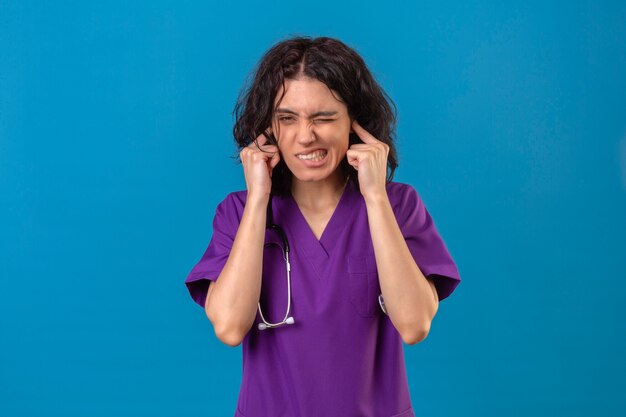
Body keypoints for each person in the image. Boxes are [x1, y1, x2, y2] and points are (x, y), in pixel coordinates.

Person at [185, 36, 461, 417]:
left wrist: (375, 198)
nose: (305, 136)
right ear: (268, 128)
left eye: (324, 117)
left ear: (355, 123)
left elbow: (414, 325)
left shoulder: (397, 206)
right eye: (287, 118)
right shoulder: (239, 213)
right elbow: (230, 328)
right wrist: (258, 199)